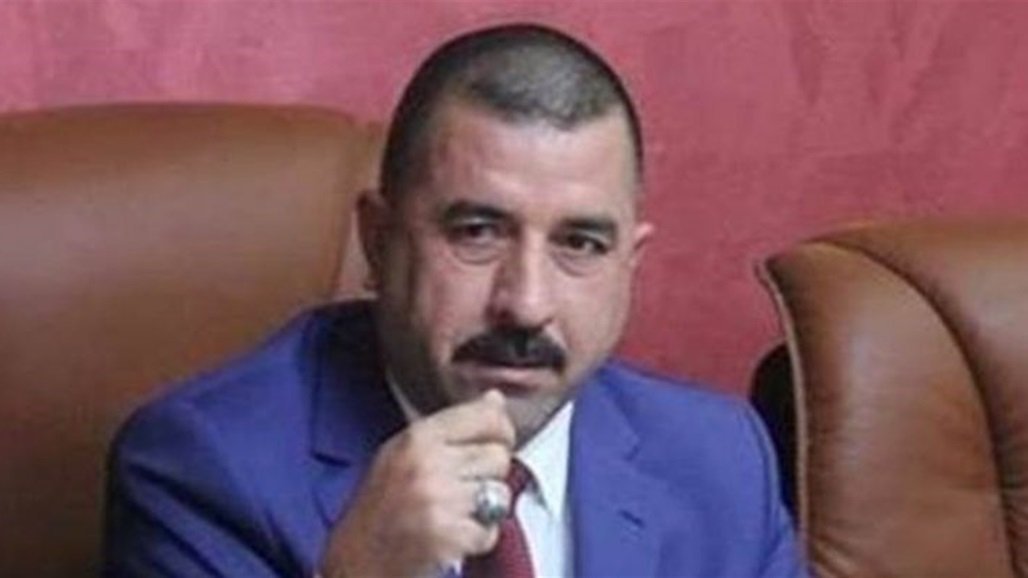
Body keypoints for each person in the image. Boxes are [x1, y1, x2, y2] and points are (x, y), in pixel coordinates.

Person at [103, 23, 805, 578]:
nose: (526, 304)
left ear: (630, 265)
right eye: (477, 233)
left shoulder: (720, 461)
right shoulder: (205, 467)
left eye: (580, 244)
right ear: (378, 242)